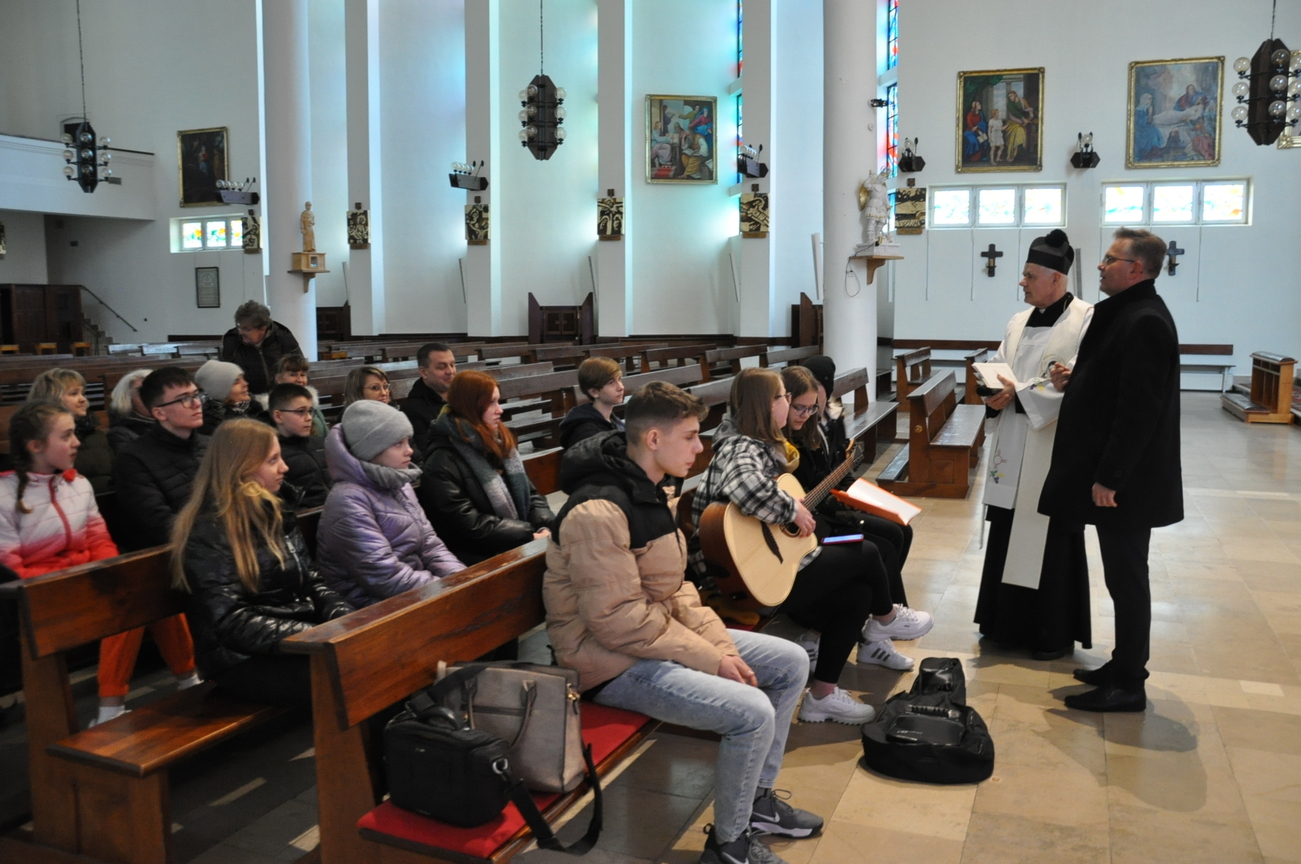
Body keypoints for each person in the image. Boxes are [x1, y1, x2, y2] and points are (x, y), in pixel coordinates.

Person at [545, 382, 823, 864]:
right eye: (691, 436)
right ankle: (729, 846)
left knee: (791, 662)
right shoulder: (598, 511)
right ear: (654, 439)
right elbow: (617, 620)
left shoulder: (651, 489)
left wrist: (722, 649)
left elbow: (676, 589)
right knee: (751, 712)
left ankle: (755, 802)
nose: (700, 448)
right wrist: (711, 658)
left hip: (649, 639)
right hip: (607, 663)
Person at [689, 368, 919, 725]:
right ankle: (886, 618)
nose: (790, 404)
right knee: (866, 551)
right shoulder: (741, 445)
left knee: (858, 593)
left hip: (758, 566)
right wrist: (791, 509)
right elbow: (745, 487)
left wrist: (789, 508)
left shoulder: (756, 444)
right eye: (784, 397)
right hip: (740, 582)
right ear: (767, 405)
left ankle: (822, 696)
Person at [1040, 227, 1183, 713]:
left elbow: (1138, 410)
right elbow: (1114, 384)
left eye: (1110, 259)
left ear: (1136, 269)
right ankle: (1122, 665)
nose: (1100, 266)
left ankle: (1129, 683)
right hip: (1119, 478)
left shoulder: (1144, 320)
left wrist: (1111, 477)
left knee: (1127, 579)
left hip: (1128, 484)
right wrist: (1077, 378)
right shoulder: (1127, 313)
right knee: (1122, 578)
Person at [0, 402, 199, 726]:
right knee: (127, 605)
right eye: (66, 436)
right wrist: (83, 579)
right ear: (35, 446)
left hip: (85, 583)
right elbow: (11, 568)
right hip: (37, 598)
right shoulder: (4, 496)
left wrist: (109, 574)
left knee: (150, 590)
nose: (77, 442)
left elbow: (99, 540)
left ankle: (189, 681)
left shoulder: (78, 484)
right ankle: (110, 709)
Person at [171, 419, 354, 707]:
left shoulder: (275, 510)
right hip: (241, 660)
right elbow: (231, 620)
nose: (285, 467)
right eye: (272, 460)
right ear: (241, 467)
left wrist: (342, 615)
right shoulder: (209, 530)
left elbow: (311, 580)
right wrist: (310, 637)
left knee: (381, 654)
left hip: (294, 640)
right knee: (356, 675)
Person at [973, 230, 1094, 661]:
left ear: (1056, 278)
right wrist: (991, 391)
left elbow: (1079, 380)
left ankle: (1050, 632)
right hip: (1013, 442)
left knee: (1051, 537)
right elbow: (1000, 367)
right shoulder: (1017, 321)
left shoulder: (1086, 320)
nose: (1022, 282)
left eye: (1029, 275)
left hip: (1053, 448)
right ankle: (1004, 626)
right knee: (1009, 529)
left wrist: (1020, 394)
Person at [780, 365, 920, 616]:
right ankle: (887, 613)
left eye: (811, 408)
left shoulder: (818, 424)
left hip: (825, 509)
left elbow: (834, 470)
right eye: (800, 407)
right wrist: (841, 503)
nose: (807, 414)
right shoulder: (782, 442)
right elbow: (806, 491)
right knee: (882, 545)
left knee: (901, 531)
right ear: (784, 400)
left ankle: (889, 608)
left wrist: (855, 495)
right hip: (814, 523)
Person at [317, 401, 462, 607]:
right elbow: (385, 576)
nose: (409, 451)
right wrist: (447, 590)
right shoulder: (347, 501)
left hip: (416, 593)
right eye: (398, 444)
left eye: (408, 441)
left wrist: (461, 579)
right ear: (371, 450)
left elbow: (431, 546)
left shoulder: (399, 484)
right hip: (372, 607)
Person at [418, 371, 554, 564]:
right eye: (491, 403)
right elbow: (469, 525)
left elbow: (531, 494)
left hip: (517, 540)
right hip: (480, 556)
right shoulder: (442, 462)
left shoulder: (498, 442)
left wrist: (543, 525)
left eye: (498, 401)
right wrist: (528, 535)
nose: (500, 410)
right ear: (470, 406)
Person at [113, 367, 210, 551]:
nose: (197, 404)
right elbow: (158, 524)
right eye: (184, 399)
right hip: (176, 551)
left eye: (196, 395)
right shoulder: (133, 459)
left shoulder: (212, 444)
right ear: (159, 413)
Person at [28, 368, 114, 493]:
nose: (83, 399)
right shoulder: (42, 438)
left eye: (83, 393)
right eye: (74, 394)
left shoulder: (95, 433)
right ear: (52, 398)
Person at [267, 383, 332, 509]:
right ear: (278, 416)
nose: (309, 418)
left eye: (310, 411)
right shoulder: (274, 455)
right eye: (301, 411)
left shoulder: (321, 443)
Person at [219, 300, 302, 395]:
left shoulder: (282, 337)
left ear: (263, 329)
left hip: (282, 396)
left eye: (247, 329)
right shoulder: (232, 341)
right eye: (239, 327)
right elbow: (225, 377)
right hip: (246, 398)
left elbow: (300, 368)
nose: (240, 332)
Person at [400, 342, 456, 453]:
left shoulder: (463, 395)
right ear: (424, 372)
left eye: (452, 365)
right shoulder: (412, 410)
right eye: (441, 367)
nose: (450, 371)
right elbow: (429, 452)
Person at [558, 357, 626, 449]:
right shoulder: (586, 433)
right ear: (594, 392)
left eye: (619, 379)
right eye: (611, 382)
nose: (621, 387)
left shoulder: (613, 421)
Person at [255, 354, 327, 437]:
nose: (300, 380)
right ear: (279, 379)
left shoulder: (311, 401)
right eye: (293, 375)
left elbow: (324, 430)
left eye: (302, 375)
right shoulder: (270, 407)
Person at [195, 359, 266, 437]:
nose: (245, 383)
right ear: (220, 389)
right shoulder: (210, 423)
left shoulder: (255, 408)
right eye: (236, 381)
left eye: (243, 378)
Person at [106, 368, 156, 454]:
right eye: (142, 392)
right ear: (128, 399)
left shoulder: (171, 423)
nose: (150, 397)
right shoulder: (120, 435)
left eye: (155, 391)